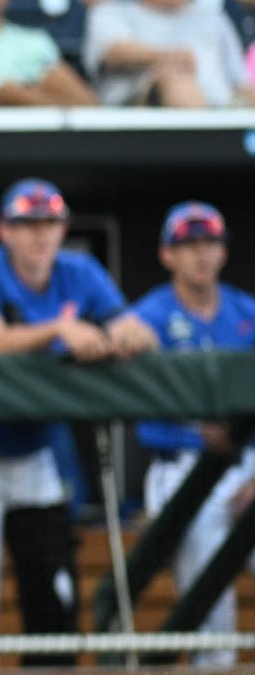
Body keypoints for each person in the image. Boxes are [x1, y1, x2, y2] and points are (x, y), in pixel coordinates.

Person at [0, 177, 158, 669]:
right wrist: (61, 329)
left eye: (50, 223)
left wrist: (127, 338)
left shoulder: (79, 271)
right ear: (5, 230)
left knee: (52, 589)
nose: (40, 235)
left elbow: (129, 324)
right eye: (27, 224)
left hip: (36, 453)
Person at [129, 200, 255, 668]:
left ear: (223, 251)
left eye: (210, 243)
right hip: (181, 470)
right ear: (167, 255)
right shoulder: (147, 315)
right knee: (210, 624)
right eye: (189, 245)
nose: (201, 254)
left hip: (248, 468)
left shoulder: (247, 312)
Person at [82, 0, 253, 108]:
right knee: (178, 81)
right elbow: (115, 52)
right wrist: (166, 57)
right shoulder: (113, 11)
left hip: (224, 109)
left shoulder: (213, 15)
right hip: (144, 113)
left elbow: (240, 83)